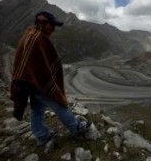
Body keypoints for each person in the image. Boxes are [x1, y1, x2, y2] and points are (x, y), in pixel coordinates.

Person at [9, 11, 91, 146]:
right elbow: (41, 66)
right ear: (42, 23)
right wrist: (49, 82)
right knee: (58, 103)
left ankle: (42, 136)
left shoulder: (30, 33)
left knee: (37, 108)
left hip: (28, 81)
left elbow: (30, 62)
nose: (53, 29)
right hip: (37, 82)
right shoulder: (38, 39)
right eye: (51, 25)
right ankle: (76, 128)